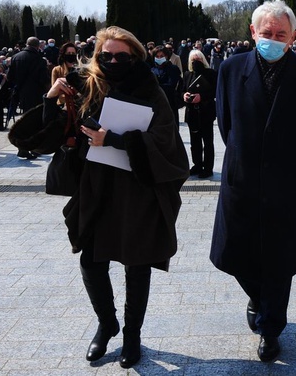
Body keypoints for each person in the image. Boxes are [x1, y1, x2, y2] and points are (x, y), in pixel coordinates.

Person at [43, 26, 189, 368]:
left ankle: (132, 336)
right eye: (106, 55)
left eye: (121, 56)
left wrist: (114, 140)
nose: (113, 61)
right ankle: (107, 324)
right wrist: (51, 99)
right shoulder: (86, 84)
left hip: (136, 189)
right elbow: (50, 135)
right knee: (91, 261)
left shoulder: (150, 89)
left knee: (136, 263)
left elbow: (166, 142)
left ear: (135, 57)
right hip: (94, 186)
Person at [210, 0, 296, 362]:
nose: (272, 39)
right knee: (234, 251)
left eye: (280, 34)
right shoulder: (230, 69)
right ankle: (258, 296)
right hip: (241, 176)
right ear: (252, 33)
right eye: (266, 33)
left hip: (286, 178)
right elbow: (226, 124)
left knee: (279, 255)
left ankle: (270, 328)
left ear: (293, 37)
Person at [7, 36, 49, 158]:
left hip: (21, 93)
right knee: (35, 121)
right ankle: (30, 147)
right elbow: (43, 79)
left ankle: (24, 148)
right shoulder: (39, 60)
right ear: (38, 46)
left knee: (24, 119)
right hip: (36, 93)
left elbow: (10, 77)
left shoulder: (16, 57)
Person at [182, 49, 217, 178]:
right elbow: (182, 90)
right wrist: (184, 95)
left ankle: (208, 168)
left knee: (208, 142)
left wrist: (201, 97)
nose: (196, 62)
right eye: (193, 60)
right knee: (194, 142)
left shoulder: (211, 74)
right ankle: (197, 164)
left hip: (206, 112)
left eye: (198, 59)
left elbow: (215, 91)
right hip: (192, 113)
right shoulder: (187, 74)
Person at [150, 45, 183, 125]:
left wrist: (155, 87)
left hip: (170, 103)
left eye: (161, 56)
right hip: (155, 105)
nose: (159, 58)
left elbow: (171, 86)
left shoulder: (173, 69)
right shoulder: (152, 70)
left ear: (166, 56)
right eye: (157, 56)